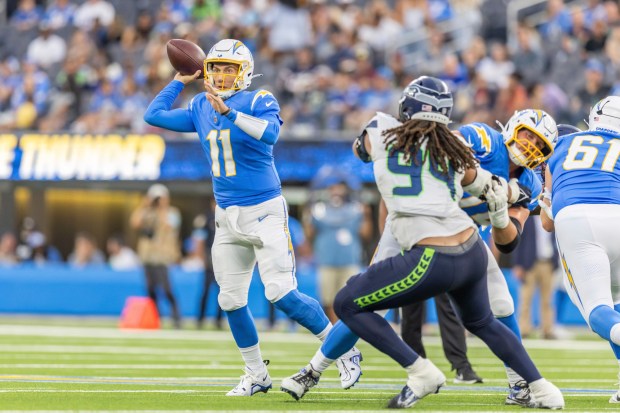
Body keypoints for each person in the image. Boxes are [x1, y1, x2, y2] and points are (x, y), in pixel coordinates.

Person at [281, 76, 563, 409]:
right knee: (370, 304)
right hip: (412, 222)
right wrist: (499, 188)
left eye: (538, 145)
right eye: (527, 136)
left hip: (462, 232)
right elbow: (446, 148)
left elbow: (509, 244)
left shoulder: (528, 182)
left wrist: (504, 213)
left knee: (500, 305)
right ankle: (314, 369)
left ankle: (520, 383)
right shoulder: (483, 138)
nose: (529, 146)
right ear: (512, 128)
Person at [143, 38, 360, 396]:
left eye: (230, 69)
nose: (223, 75)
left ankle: (343, 350)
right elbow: (153, 115)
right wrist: (181, 79)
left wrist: (229, 113)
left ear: (245, 72)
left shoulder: (259, 99)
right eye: (217, 67)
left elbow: (272, 133)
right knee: (229, 299)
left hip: (264, 210)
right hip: (225, 214)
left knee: (280, 293)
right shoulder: (200, 104)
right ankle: (256, 373)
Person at [540, 97, 620, 404]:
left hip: (578, 220)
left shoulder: (562, 144)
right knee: (616, 301)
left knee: (598, 312)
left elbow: (547, 223)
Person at [304, 179, 373, 322]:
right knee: (328, 299)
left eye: (339, 188)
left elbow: (366, 235)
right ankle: (335, 328)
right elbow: (309, 235)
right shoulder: (320, 211)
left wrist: (367, 216)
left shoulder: (354, 210)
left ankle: (345, 327)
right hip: (327, 261)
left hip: (349, 261)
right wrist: (307, 216)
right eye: (333, 188)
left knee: (351, 298)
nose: (336, 192)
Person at [130, 183, 183, 329]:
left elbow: (168, 225)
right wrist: (144, 205)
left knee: (166, 289)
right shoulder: (147, 212)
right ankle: (155, 318)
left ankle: (176, 317)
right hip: (148, 256)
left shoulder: (172, 212)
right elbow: (135, 223)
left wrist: (161, 208)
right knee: (150, 289)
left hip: (162, 256)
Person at [512, 216, 558, 339]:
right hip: (529, 265)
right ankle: (524, 329)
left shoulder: (551, 218)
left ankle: (547, 330)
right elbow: (518, 241)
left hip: (547, 263)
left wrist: (556, 261)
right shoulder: (527, 219)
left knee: (547, 300)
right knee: (526, 298)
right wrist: (518, 264)